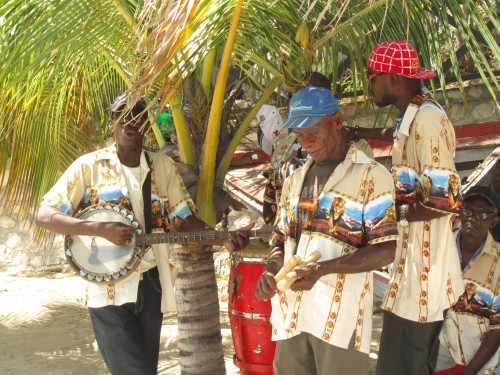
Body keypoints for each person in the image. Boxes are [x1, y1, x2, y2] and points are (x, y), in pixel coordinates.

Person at [35, 94, 251, 375]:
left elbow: (185, 220)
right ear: (112, 122)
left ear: (148, 125)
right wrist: (97, 229)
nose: (130, 122)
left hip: (150, 286)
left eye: (138, 116)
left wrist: (222, 239)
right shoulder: (88, 167)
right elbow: (44, 215)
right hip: (107, 289)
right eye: (122, 115)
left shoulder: (162, 167)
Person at [255, 86, 399, 375]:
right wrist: (271, 270)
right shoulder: (294, 180)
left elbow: (386, 250)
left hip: (339, 319)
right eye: (299, 134)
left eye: (313, 131)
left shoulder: (372, 177)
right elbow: (280, 241)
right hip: (291, 314)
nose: (306, 142)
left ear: (336, 121)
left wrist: (323, 269)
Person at [343, 40, 464, 375]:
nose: (370, 83)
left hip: (425, 277)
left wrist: (388, 215)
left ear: (393, 79)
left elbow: (443, 201)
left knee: (405, 366)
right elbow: (397, 136)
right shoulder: (412, 115)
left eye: (373, 76)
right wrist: (357, 132)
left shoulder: (427, 120)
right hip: (411, 270)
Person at [435, 186, 500, 375]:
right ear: (460, 213)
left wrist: (469, 372)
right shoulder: (440, 249)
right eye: (468, 211)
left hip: (485, 349)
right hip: (443, 344)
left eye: (482, 214)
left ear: (493, 222)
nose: (472, 218)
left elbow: (497, 328)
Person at [262, 72, 333, 224]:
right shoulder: (283, 147)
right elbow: (268, 210)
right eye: (298, 96)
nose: (303, 103)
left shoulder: (354, 148)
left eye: (313, 97)